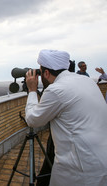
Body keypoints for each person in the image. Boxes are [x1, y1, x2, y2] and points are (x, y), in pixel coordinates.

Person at [25, 49, 107, 186]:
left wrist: (32, 91)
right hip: (101, 159)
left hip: (80, 170)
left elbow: (32, 120)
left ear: (46, 73)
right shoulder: (87, 81)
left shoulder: (56, 90)